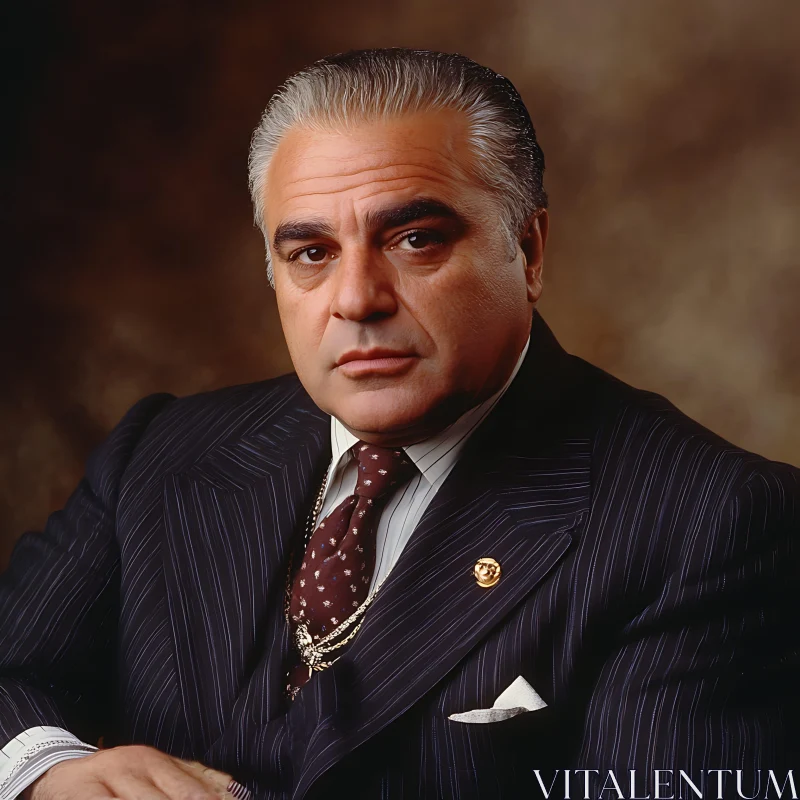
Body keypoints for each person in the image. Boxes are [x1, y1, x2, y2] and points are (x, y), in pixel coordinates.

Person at [0, 48, 797, 800]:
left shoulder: (714, 524)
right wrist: (49, 766)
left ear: (530, 249)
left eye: (415, 240)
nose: (356, 298)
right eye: (311, 252)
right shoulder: (161, 452)